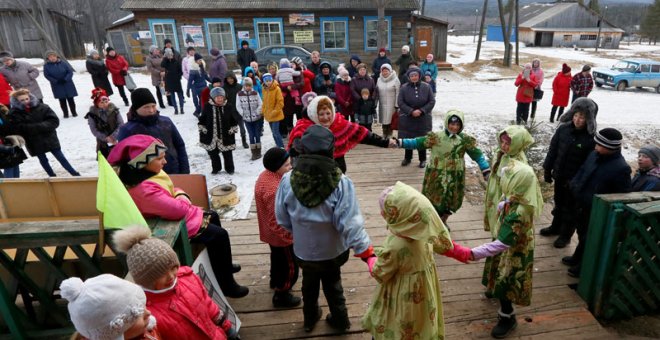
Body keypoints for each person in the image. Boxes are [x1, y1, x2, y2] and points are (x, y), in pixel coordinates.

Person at [107, 134, 248, 297]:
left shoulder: (148, 175)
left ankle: (223, 265)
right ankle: (227, 285)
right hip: (167, 224)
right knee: (219, 235)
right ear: (142, 162)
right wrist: (181, 197)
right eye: (160, 159)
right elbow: (177, 210)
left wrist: (179, 195)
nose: (165, 162)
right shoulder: (142, 190)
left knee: (213, 216)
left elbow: (171, 191)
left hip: (172, 214)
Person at [275, 125, 375, 333]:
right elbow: (350, 223)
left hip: (303, 250)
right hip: (332, 251)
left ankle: (310, 319)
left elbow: (282, 217)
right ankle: (341, 320)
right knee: (333, 284)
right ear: (330, 151)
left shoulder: (287, 180)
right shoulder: (341, 183)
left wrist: (299, 229)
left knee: (308, 284)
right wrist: (367, 253)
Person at [362, 182, 453, 340]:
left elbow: (379, 273)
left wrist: (369, 258)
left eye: (385, 212)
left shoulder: (395, 246)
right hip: (423, 294)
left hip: (402, 296)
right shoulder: (425, 234)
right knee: (419, 324)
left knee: (398, 323)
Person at [112, 227, 236, 339]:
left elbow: (208, 304)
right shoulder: (146, 312)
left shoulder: (188, 278)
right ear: (146, 280)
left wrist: (227, 327)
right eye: (161, 274)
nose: (171, 276)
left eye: (173, 268)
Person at [397, 110, 490, 226]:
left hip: (455, 176)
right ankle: (435, 222)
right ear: (447, 123)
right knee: (434, 197)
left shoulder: (465, 140)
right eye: (452, 124)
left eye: (457, 125)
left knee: (452, 200)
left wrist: (485, 170)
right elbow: (417, 142)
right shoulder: (436, 137)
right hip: (436, 175)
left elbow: (478, 155)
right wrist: (399, 143)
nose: (454, 127)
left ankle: (443, 220)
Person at [565, 128, 631, 277]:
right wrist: (574, 186)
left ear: (610, 148)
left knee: (591, 238)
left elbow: (623, 195)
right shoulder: (594, 155)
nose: (595, 147)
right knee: (581, 233)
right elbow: (582, 171)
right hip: (583, 204)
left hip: (599, 210)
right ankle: (577, 257)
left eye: (599, 145)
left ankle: (584, 266)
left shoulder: (621, 168)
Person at [541, 98, 597, 248]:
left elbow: (588, 165)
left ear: (589, 119)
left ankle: (565, 235)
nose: (578, 120)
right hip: (559, 176)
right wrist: (547, 168)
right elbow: (553, 150)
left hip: (574, 182)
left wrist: (577, 181)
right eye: (576, 115)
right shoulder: (563, 129)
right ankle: (555, 227)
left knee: (570, 209)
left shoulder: (591, 138)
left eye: (583, 117)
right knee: (558, 203)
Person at [288, 95, 393, 173]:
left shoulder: (340, 124)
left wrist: (386, 142)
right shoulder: (303, 128)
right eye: (321, 114)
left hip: (338, 172)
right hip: (314, 176)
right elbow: (294, 155)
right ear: (314, 114)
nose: (325, 118)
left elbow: (364, 135)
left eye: (328, 113)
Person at [255, 147, 301, 308]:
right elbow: (276, 220)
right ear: (276, 167)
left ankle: (275, 280)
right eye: (287, 165)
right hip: (281, 237)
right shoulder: (274, 189)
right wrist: (289, 237)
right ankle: (281, 294)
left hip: (270, 234)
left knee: (277, 259)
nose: (291, 167)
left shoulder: (265, 176)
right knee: (290, 266)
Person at [60, 274, 161, 340]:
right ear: (117, 333)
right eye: (136, 315)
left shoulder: (146, 330)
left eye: (142, 306)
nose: (148, 313)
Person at [8, 89, 80, 176]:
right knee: (43, 160)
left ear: (30, 97)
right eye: (22, 100)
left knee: (61, 157)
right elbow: (17, 127)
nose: (25, 101)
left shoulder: (42, 107)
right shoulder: (14, 113)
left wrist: (39, 127)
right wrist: (37, 127)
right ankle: (52, 176)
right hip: (33, 141)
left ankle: (74, 173)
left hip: (49, 137)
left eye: (26, 99)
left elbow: (54, 121)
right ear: (16, 101)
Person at [117, 88, 189, 174]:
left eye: (153, 106)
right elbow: (124, 159)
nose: (151, 110)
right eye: (146, 107)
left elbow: (179, 145)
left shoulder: (166, 122)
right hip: (148, 178)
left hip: (174, 171)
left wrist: (185, 171)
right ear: (136, 108)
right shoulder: (127, 130)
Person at [483, 126, 534, 233]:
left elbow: (519, 183)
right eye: (502, 142)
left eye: (507, 144)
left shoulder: (518, 162)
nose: (503, 146)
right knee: (493, 214)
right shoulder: (501, 153)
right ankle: (495, 236)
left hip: (507, 195)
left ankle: (499, 241)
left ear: (516, 145)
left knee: (502, 218)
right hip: (496, 189)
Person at [398, 68, 435, 168]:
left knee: (421, 139)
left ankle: (422, 159)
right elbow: (400, 102)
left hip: (423, 118)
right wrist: (411, 111)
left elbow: (431, 101)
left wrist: (421, 110)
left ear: (419, 76)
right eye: (412, 76)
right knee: (408, 139)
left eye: (415, 75)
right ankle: (407, 158)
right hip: (408, 118)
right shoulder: (404, 88)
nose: (414, 77)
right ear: (409, 77)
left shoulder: (426, 87)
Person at [199, 87, 238, 174]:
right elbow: (202, 119)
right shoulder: (207, 106)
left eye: (221, 97)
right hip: (212, 136)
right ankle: (216, 168)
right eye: (217, 97)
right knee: (213, 154)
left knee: (227, 153)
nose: (220, 99)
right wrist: (203, 129)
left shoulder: (228, 106)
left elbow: (233, 119)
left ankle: (230, 169)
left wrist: (233, 128)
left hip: (225, 135)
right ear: (213, 98)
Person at [85, 88, 124, 158]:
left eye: (106, 101)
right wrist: (106, 138)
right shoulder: (92, 114)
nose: (105, 104)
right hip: (102, 142)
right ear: (97, 103)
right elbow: (93, 130)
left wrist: (113, 136)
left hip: (117, 139)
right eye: (101, 102)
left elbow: (121, 124)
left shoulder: (115, 111)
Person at [43, 50, 78, 118]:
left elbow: (69, 72)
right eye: (50, 57)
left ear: (56, 56)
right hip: (57, 85)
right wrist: (56, 81)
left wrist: (66, 79)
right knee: (62, 100)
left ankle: (74, 112)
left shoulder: (63, 63)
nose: (52, 58)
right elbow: (47, 75)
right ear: (47, 58)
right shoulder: (46, 66)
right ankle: (65, 113)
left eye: (54, 56)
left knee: (71, 99)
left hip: (67, 83)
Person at [236, 77, 264, 160]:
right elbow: (238, 105)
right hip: (247, 119)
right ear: (244, 86)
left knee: (257, 135)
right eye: (246, 86)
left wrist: (257, 112)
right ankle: (253, 153)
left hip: (257, 118)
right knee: (251, 135)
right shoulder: (239, 94)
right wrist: (243, 113)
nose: (248, 87)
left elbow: (260, 103)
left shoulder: (255, 93)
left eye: (249, 85)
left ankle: (258, 151)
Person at [222, 72, 248, 149]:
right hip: (230, 112)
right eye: (228, 79)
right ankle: (232, 143)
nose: (230, 80)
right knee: (231, 129)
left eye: (231, 78)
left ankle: (244, 141)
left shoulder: (239, 87)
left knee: (242, 128)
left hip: (239, 111)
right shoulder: (224, 88)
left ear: (234, 78)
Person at [0, 104, 26, 178]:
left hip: (11, 142)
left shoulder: (3, 111)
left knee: (15, 163)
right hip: (2, 146)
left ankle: (16, 186)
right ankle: (10, 187)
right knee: (9, 166)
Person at [376, 64, 400, 139]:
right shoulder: (379, 79)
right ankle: (384, 133)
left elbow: (398, 93)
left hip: (391, 103)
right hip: (382, 103)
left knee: (390, 118)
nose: (385, 73)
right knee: (383, 119)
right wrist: (375, 103)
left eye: (386, 71)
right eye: (383, 71)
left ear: (390, 71)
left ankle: (389, 133)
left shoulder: (395, 79)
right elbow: (376, 92)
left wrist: (397, 104)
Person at [262, 73, 285, 148]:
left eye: (269, 80)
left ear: (272, 80)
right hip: (269, 115)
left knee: (276, 132)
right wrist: (263, 110)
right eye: (266, 81)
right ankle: (277, 145)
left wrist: (275, 111)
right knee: (273, 132)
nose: (268, 82)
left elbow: (280, 102)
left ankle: (281, 147)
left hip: (276, 114)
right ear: (264, 81)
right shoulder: (264, 89)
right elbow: (264, 101)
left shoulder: (277, 89)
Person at [161, 48, 185, 115]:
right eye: (168, 55)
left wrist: (178, 77)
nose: (170, 56)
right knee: (172, 96)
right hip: (169, 81)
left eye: (171, 54)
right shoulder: (166, 62)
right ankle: (176, 109)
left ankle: (182, 108)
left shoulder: (176, 62)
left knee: (180, 95)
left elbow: (180, 71)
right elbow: (162, 65)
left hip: (176, 81)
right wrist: (165, 58)